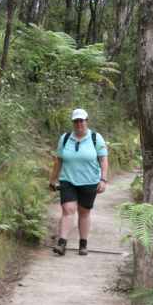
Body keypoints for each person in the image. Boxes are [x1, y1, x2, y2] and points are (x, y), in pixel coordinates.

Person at [48, 108, 109, 256]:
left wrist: (103, 179)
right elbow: (59, 160)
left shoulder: (96, 138)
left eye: (81, 120)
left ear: (86, 121)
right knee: (68, 209)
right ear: (73, 123)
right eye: (76, 121)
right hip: (68, 180)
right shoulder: (65, 138)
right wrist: (53, 178)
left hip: (89, 181)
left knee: (84, 212)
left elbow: (103, 159)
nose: (79, 123)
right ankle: (62, 243)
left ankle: (83, 244)